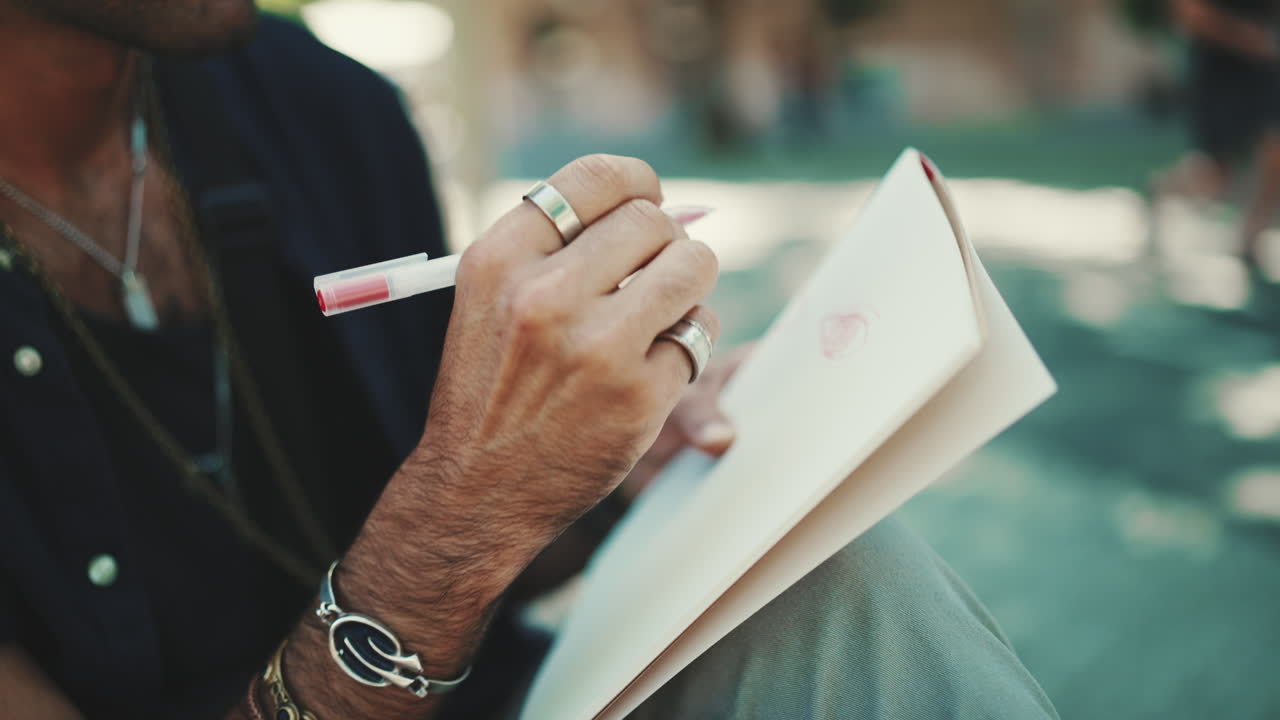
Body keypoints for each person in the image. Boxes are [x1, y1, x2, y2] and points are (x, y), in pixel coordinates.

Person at [0, 2, 1059, 719]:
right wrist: (470, 502)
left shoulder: (320, 105)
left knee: (840, 577)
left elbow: (445, 505)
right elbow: (448, 515)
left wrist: (595, 472)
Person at [1154, 0, 1280, 271]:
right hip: (1219, 68)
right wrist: (1244, 36)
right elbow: (1189, 14)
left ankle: (1250, 239)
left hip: (1264, 66)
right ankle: (1162, 190)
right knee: (1215, 179)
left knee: (1276, 150)